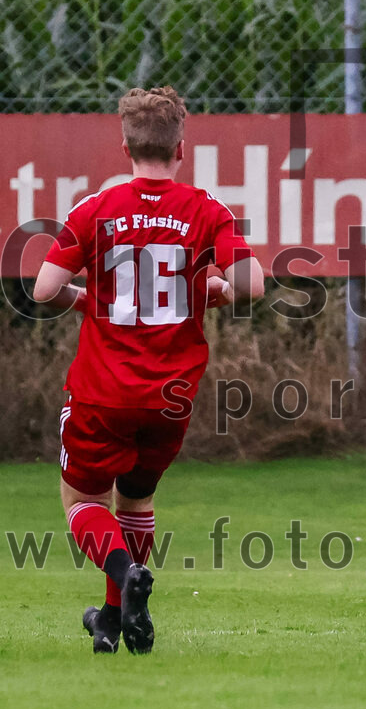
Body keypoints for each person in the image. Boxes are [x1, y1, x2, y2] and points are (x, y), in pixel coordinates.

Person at [33, 86, 265, 654]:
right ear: (181, 147)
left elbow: (42, 290)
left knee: (83, 503)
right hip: (171, 395)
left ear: (125, 147)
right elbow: (252, 286)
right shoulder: (207, 210)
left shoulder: (94, 210)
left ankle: (124, 577)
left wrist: (91, 300)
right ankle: (117, 622)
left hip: (102, 389)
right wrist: (209, 293)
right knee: (135, 501)